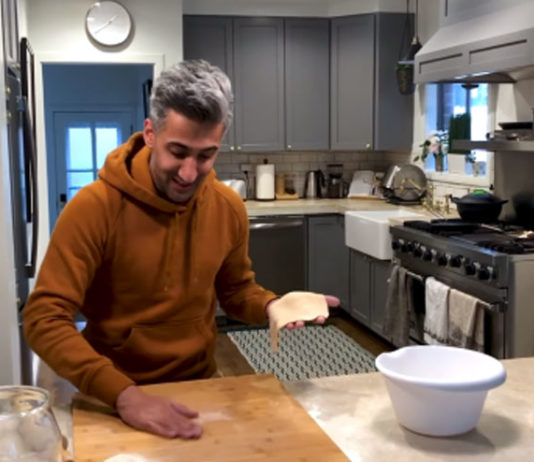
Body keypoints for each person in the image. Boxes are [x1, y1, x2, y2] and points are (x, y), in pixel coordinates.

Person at [23, 60, 339, 439]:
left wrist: (271, 305)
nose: (189, 173)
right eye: (178, 151)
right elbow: (43, 318)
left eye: (206, 155)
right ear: (150, 133)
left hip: (200, 386)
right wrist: (123, 395)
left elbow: (235, 291)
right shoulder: (94, 208)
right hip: (112, 394)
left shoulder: (227, 207)